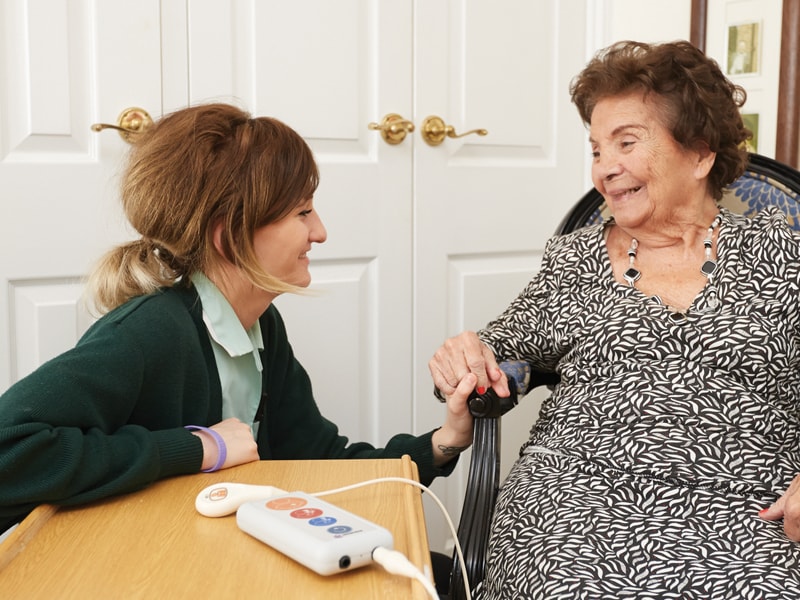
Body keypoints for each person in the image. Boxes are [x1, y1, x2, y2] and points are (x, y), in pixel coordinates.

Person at [429, 40, 800, 599]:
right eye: (597, 150)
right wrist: (464, 354)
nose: (606, 169)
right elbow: (500, 346)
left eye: (625, 143)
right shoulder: (574, 260)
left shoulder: (783, 254)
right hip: (575, 502)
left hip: (750, 510)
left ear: (700, 155)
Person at [0, 103, 475, 538]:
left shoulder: (261, 327)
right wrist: (198, 447)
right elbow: (9, 451)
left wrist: (443, 443)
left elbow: (320, 461)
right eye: (302, 212)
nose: (320, 232)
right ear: (230, 237)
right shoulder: (152, 331)